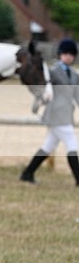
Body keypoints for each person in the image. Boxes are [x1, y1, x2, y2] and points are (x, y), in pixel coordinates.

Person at [20, 38, 79, 186]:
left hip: (66, 114)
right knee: (72, 145)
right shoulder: (52, 72)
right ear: (60, 54)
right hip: (55, 114)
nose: (68, 56)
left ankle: (28, 173)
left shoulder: (75, 74)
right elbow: (42, 88)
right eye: (65, 53)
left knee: (48, 146)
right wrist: (37, 102)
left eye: (71, 54)